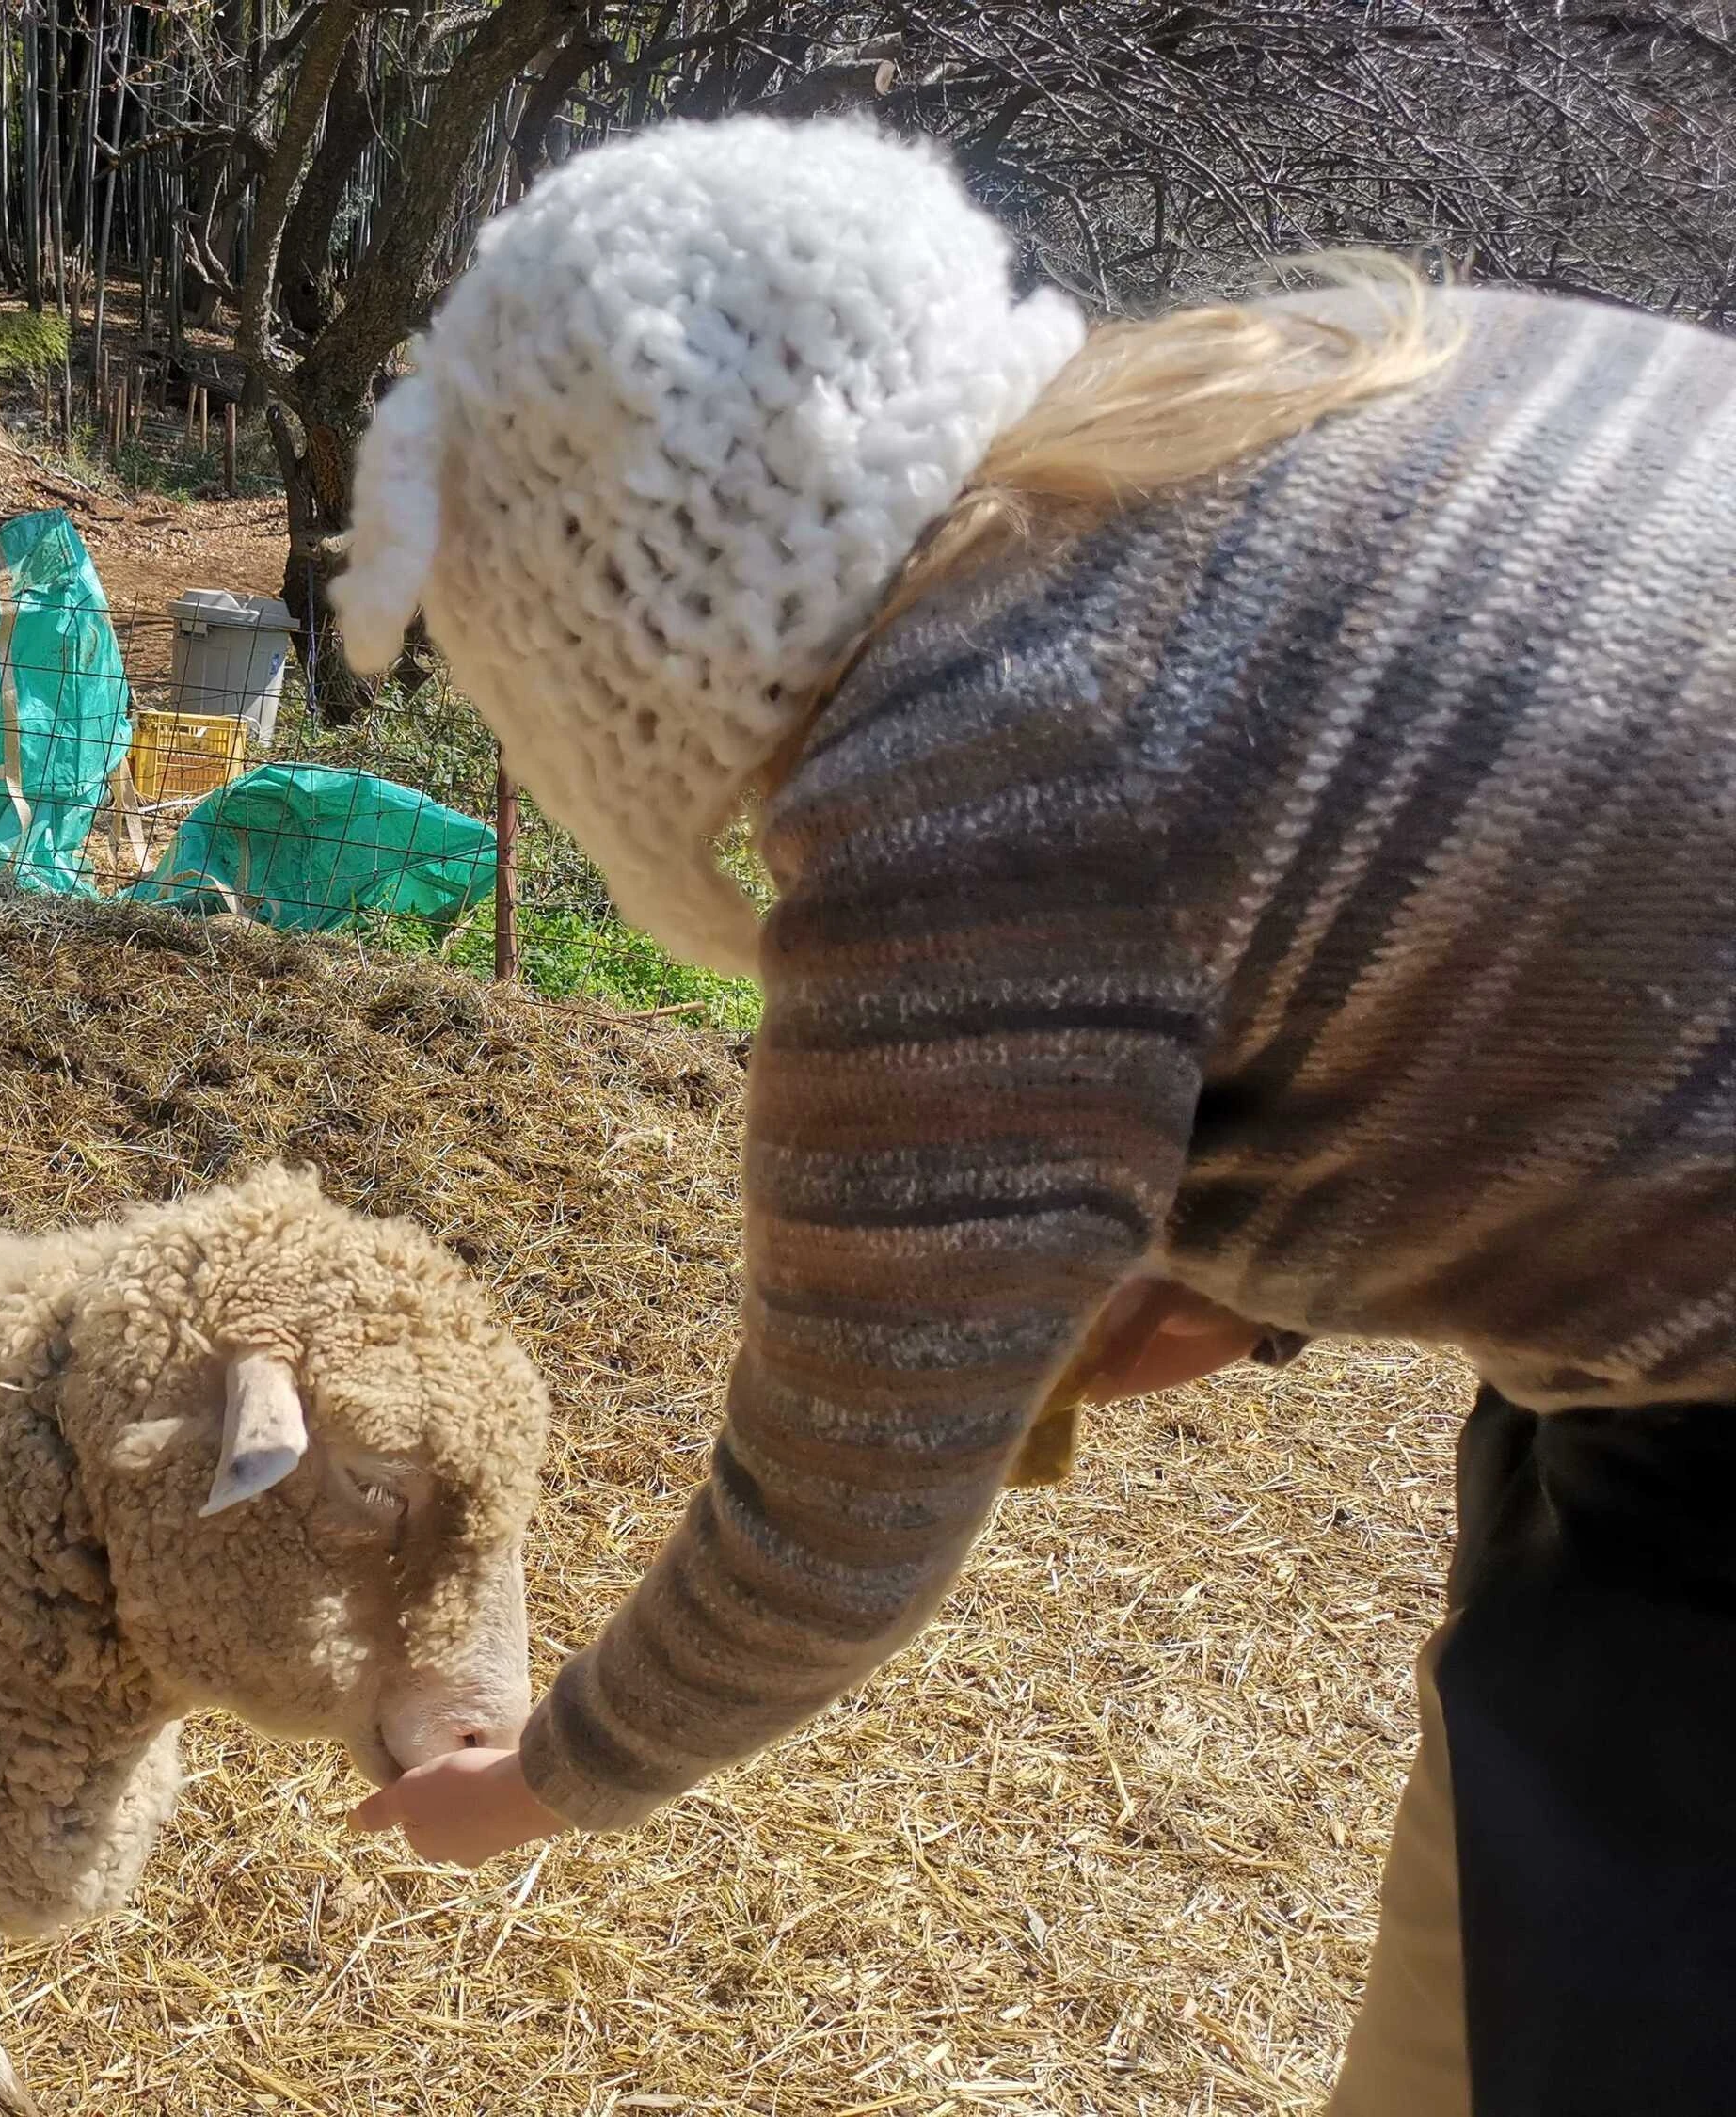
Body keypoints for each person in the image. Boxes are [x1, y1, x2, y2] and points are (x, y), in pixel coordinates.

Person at [332, 114, 1735, 2115]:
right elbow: (1577, 885)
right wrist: (1260, 1290)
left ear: (602, 654)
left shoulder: (969, 795)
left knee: (1535, 2034)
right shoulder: (1299, 378)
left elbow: (822, 1540)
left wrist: (546, 1777)